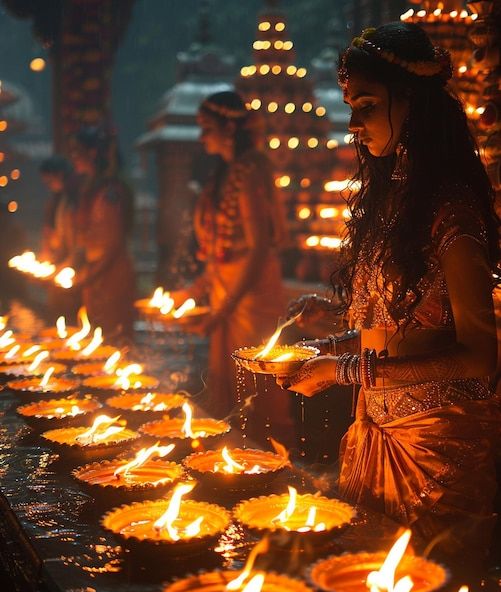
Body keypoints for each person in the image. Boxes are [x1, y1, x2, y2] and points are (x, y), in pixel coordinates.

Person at [278, 23, 501, 556]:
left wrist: (343, 370)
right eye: (352, 105)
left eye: (368, 105)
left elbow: (481, 357)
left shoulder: (452, 211)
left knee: (432, 591)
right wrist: (325, 349)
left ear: (414, 105)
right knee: (367, 584)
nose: (354, 123)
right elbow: (393, 328)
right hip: (375, 428)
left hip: (439, 450)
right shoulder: (391, 206)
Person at [173, 91, 293, 446]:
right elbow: (219, 253)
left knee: (259, 388)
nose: (201, 137)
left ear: (228, 128)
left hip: (251, 295)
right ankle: (232, 465)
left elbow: (255, 250)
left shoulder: (251, 169)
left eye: (206, 128)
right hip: (228, 293)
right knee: (226, 385)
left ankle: (274, 469)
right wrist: (189, 293)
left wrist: (222, 309)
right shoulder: (222, 174)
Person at [69, 126, 135, 340]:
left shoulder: (109, 192)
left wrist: (87, 276)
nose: (73, 157)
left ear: (93, 153)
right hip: (95, 275)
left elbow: (113, 243)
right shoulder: (92, 188)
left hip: (111, 276)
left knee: (113, 342)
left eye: (77, 151)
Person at [39, 155, 81, 322]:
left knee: (71, 315)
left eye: (50, 181)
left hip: (74, 267)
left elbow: (78, 239)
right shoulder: (59, 199)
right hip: (61, 262)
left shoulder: (76, 198)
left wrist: (67, 265)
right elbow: (53, 232)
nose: (49, 186)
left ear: (59, 174)